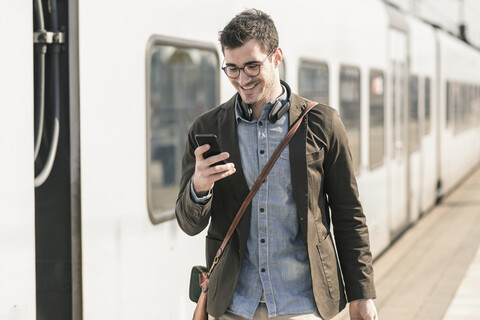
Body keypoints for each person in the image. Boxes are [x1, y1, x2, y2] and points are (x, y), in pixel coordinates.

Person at [176, 9, 378, 320]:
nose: (242, 79)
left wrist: (361, 293)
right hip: (233, 304)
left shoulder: (322, 123)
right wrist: (198, 189)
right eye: (232, 69)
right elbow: (189, 224)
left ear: (276, 57)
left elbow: (348, 213)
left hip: (303, 304)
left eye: (252, 66)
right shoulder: (208, 128)